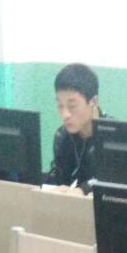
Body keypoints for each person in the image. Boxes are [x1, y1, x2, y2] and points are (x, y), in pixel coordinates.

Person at [44, 63, 103, 193]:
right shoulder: (62, 136)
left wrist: (83, 190)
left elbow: (112, 182)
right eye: (60, 106)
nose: (65, 114)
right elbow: (60, 180)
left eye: (72, 106)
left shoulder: (112, 138)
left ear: (94, 102)